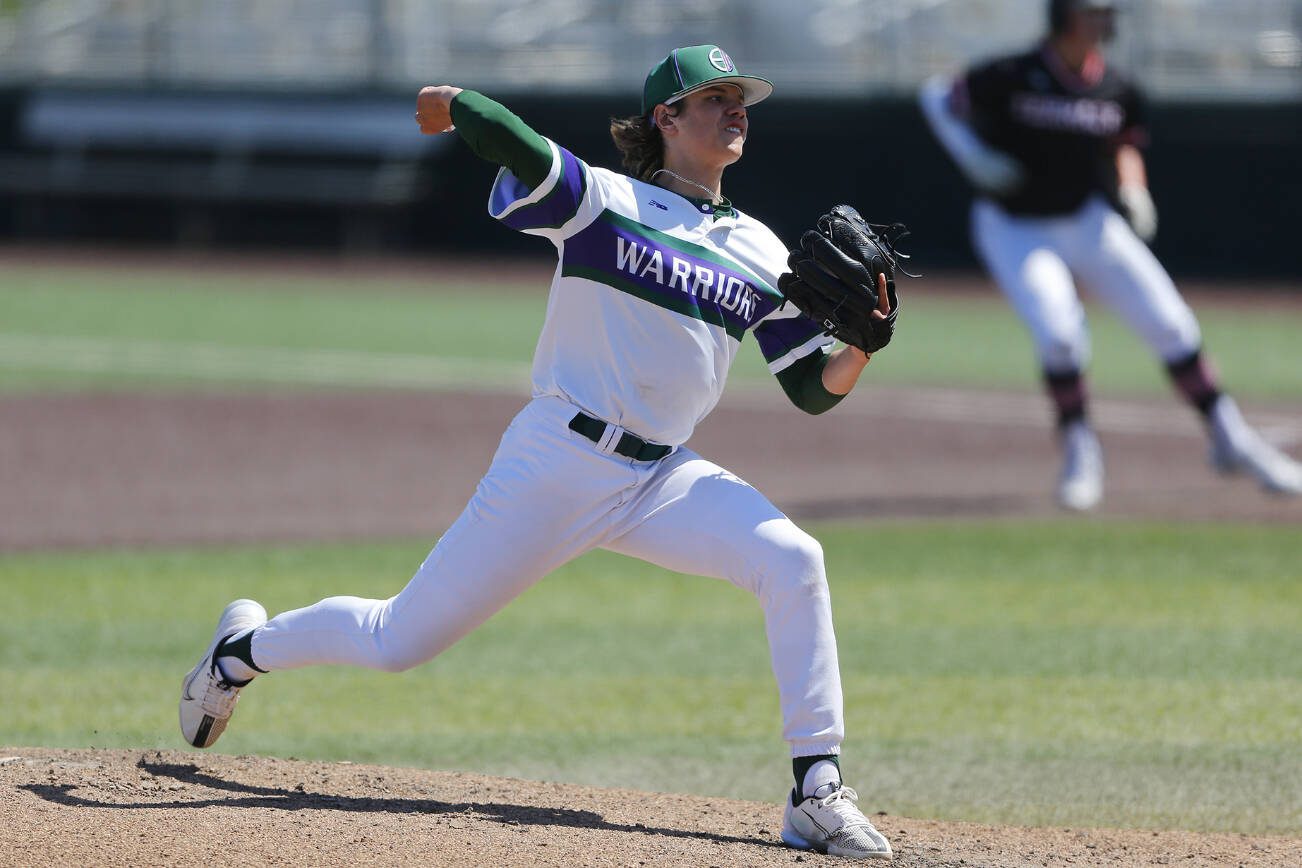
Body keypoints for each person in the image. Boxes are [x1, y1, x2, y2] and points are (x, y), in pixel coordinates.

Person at [179, 45, 896, 860]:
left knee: (793, 558)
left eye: (743, 100)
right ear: (665, 117)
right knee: (396, 641)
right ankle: (241, 653)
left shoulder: (763, 249)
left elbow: (810, 388)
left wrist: (868, 344)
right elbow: (516, 143)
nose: (737, 111)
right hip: (558, 461)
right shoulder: (604, 200)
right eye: (715, 98)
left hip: (662, 475)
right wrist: (457, 104)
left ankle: (816, 791)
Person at [918, 0, 1302, 510]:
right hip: (1016, 225)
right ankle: (1081, 451)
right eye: (1092, 10)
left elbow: (1123, 144)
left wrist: (1134, 189)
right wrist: (974, 156)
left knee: (1173, 324)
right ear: (1064, 16)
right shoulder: (1013, 73)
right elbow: (937, 96)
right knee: (1059, 335)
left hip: (1087, 218)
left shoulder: (1117, 85)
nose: (1104, 20)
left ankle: (1231, 437)